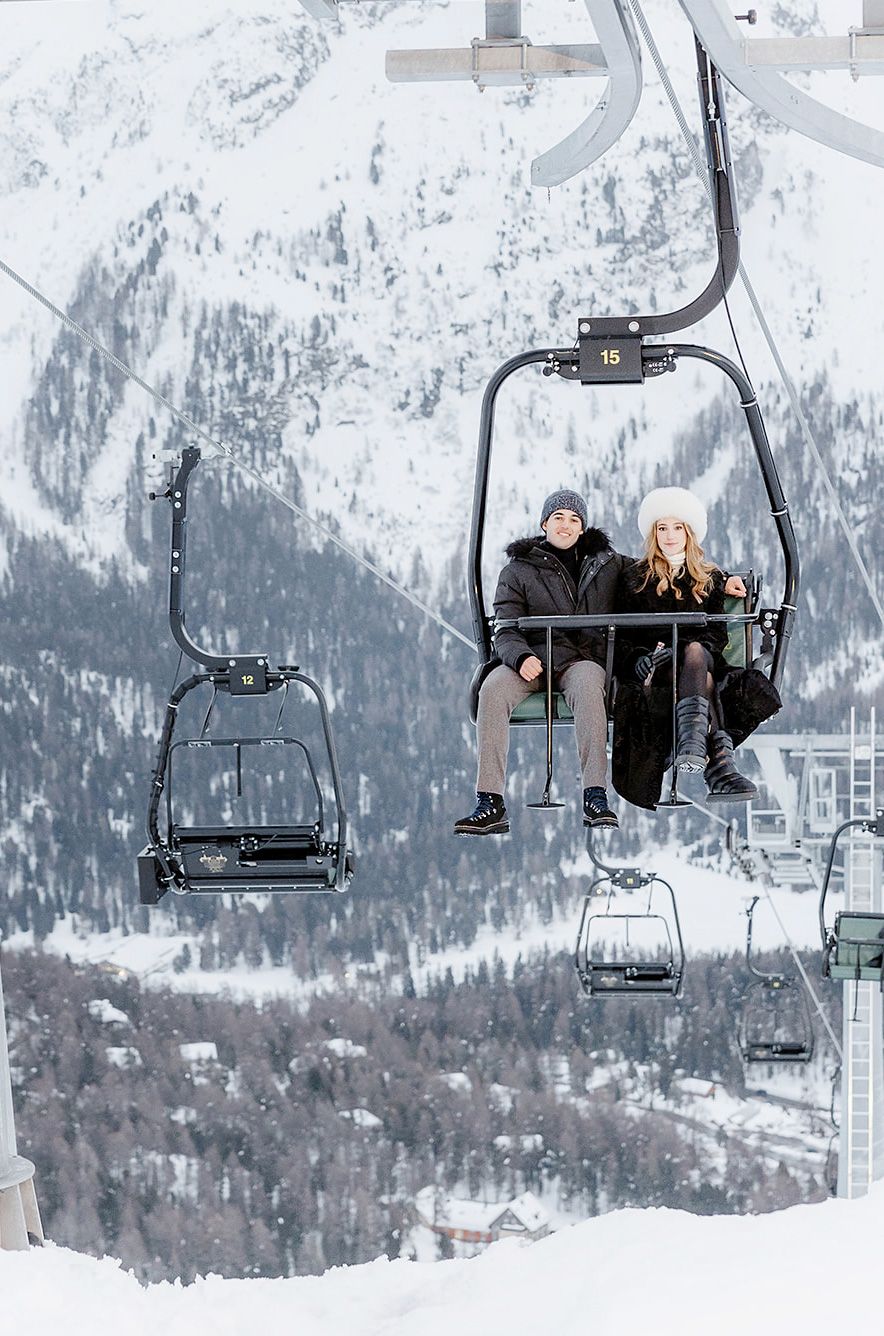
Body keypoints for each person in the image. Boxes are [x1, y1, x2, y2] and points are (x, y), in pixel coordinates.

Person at [454, 488, 627, 835]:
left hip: (581, 659)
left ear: (583, 529)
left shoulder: (608, 565)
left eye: (574, 520)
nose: (565, 526)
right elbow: (505, 627)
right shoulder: (519, 570)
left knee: (590, 688)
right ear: (545, 523)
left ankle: (595, 793)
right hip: (532, 659)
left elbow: (656, 577)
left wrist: (720, 581)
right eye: (559, 518)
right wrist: (520, 657)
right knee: (493, 689)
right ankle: (490, 800)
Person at [613, 486, 777, 807]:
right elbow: (625, 635)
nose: (670, 536)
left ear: (689, 534)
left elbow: (716, 636)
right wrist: (639, 660)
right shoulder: (636, 578)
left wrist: (684, 646)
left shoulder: (708, 578)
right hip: (658, 670)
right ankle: (717, 765)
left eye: (677, 528)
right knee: (702, 678)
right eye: (662, 528)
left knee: (696, 653)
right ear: (653, 533)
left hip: (698, 661)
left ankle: (691, 743)